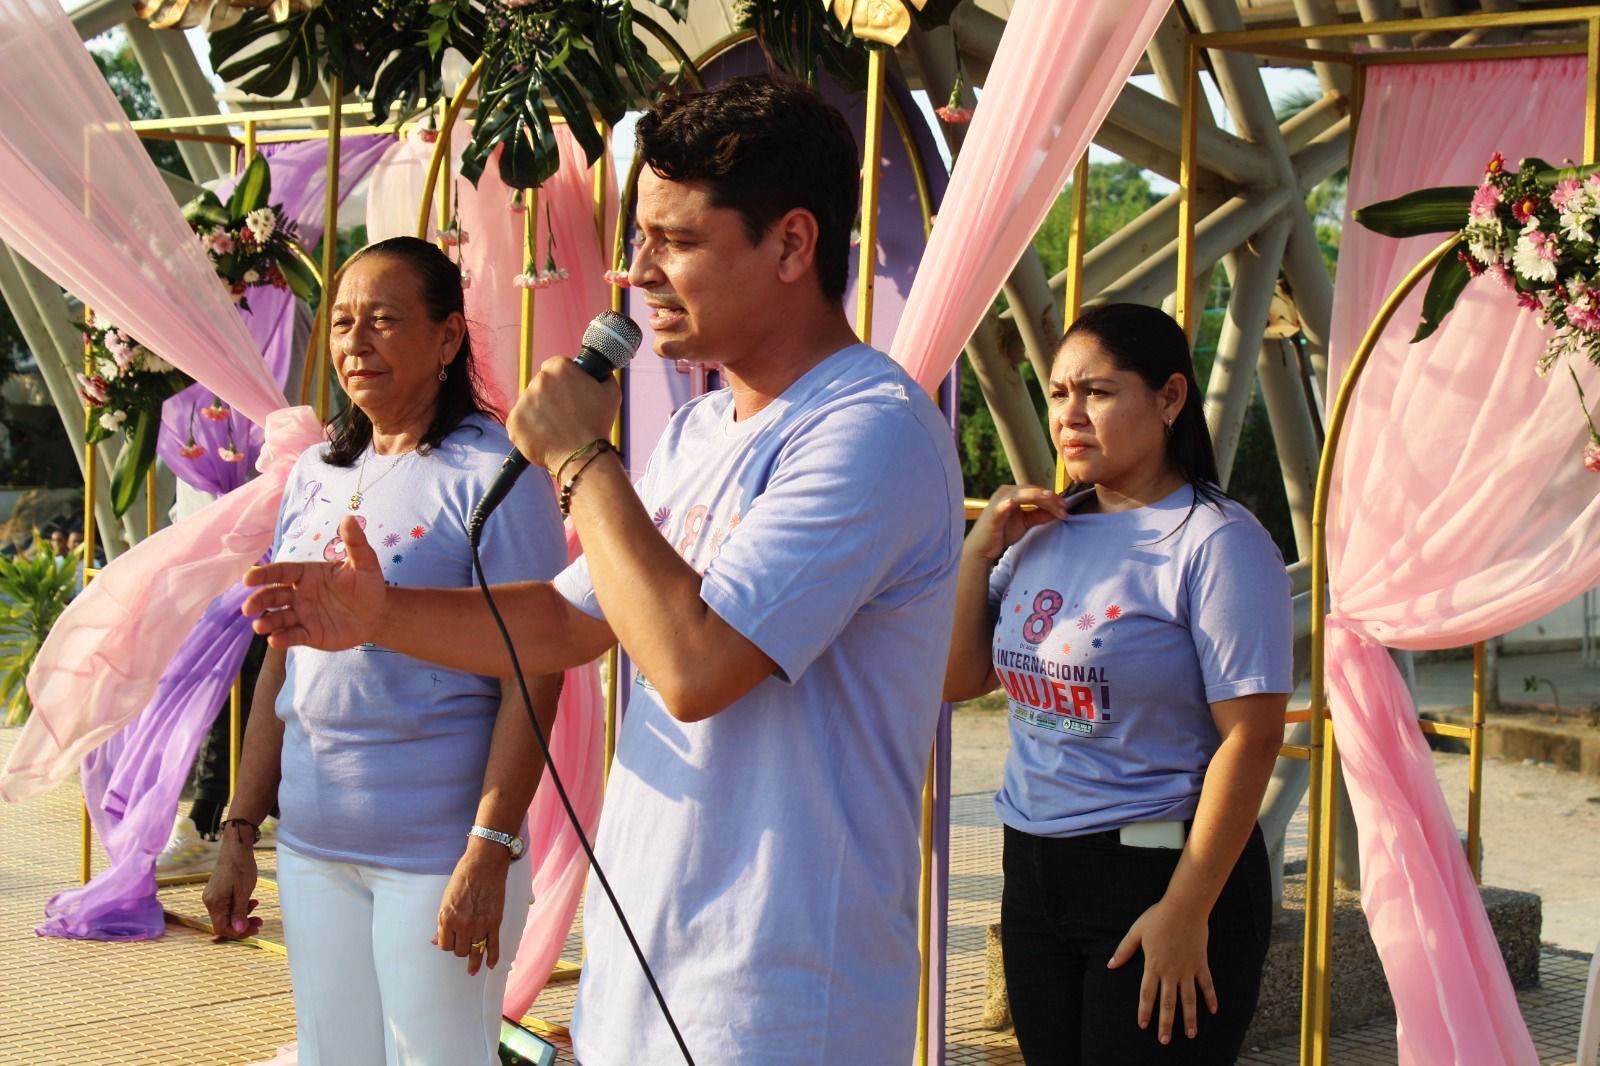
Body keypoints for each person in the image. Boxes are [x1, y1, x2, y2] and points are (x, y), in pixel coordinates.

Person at [241, 76, 963, 1065]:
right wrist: (380, 614)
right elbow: (563, 622)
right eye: (637, 239)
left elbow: (696, 666)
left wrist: (582, 458)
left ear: (792, 244)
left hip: (782, 999)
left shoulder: (870, 432)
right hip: (642, 976)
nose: (637, 271)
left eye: (675, 240)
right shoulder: (701, 430)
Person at [204, 236, 568, 1065]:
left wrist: (489, 850)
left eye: (383, 320)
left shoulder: (498, 474)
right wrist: (239, 828)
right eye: (341, 323)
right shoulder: (315, 473)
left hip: (439, 856)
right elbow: (281, 663)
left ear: (447, 337)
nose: (356, 343)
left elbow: (536, 670)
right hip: (312, 848)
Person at [944, 303, 1291, 1065]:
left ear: (1169, 398)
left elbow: (1253, 736)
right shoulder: (1042, 530)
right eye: (1058, 392)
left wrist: (1186, 909)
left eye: (1097, 392)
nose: (1070, 415)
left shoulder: (1216, 541)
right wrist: (977, 555)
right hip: (1033, 871)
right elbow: (957, 678)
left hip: (1159, 875)